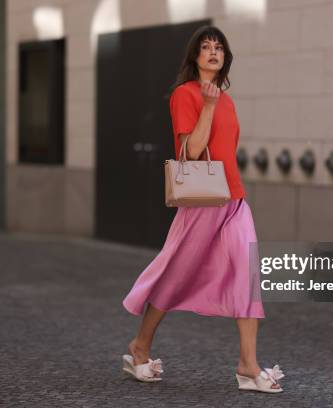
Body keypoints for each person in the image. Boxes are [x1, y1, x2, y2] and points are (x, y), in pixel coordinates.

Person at [121, 25, 285, 393]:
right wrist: (207, 106)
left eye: (219, 47)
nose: (213, 52)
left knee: (248, 277)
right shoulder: (185, 95)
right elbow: (191, 152)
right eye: (205, 47)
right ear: (194, 56)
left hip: (234, 200)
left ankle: (248, 365)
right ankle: (140, 347)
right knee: (176, 274)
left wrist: (216, 103)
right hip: (202, 203)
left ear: (225, 57)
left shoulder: (227, 99)